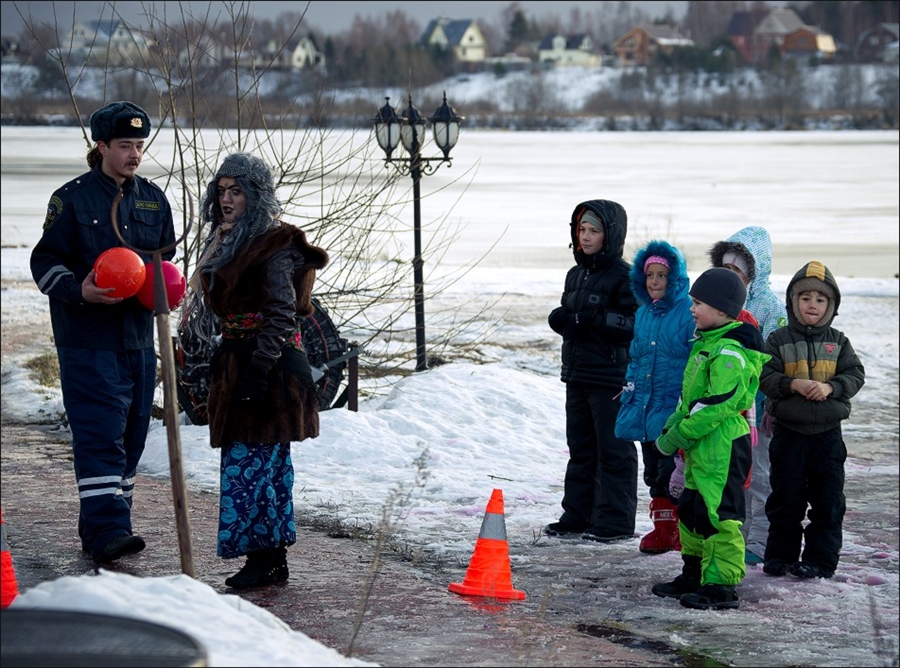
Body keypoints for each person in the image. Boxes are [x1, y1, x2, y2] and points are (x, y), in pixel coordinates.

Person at [30, 101, 176, 563]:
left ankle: (105, 524)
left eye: (139, 145)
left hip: (137, 340)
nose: (135, 154)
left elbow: (165, 265)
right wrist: (79, 291)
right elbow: (44, 263)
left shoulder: (153, 198)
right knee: (100, 434)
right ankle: (110, 528)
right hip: (88, 340)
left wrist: (171, 290)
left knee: (133, 437)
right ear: (101, 146)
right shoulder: (71, 199)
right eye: (125, 146)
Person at [184, 152, 328, 589]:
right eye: (222, 190)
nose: (226, 199)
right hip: (238, 361)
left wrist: (257, 373)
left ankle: (265, 559)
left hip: (270, 368)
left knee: (255, 468)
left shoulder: (273, 242)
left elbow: (282, 313)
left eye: (237, 191)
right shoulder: (228, 239)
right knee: (253, 465)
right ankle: (269, 560)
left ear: (256, 194)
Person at [652, 267, 768, 610]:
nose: (691, 309)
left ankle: (721, 583)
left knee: (718, 514)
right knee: (691, 510)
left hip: (722, 445)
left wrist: (676, 436)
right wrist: (671, 427)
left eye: (698, 303)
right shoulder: (707, 344)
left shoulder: (729, 352)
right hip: (700, 446)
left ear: (721, 309)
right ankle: (695, 572)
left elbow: (714, 405)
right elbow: (689, 401)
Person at [759, 261, 865, 580]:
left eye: (821, 300)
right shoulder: (778, 340)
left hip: (828, 436)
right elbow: (765, 374)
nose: (813, 305)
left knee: (828, 500)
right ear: (793, 302)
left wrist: (832, 387)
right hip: (789, 434)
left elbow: (855, 374)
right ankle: (780, 556)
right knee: (785, 499)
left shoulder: (839, 341)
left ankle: (820, 559)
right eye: (805, 298)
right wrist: (793, 384)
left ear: (831, 306)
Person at [544, 200, 639, 542]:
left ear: (610, 235)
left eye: (594, 230)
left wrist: (598, 320)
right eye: (581, 229)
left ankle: (615, 521)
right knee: (581, 448)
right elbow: (575, 318)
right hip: (578, 373)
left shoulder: (626, 276)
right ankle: (578, 514)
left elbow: (635, 323)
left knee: (614, 450)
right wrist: (563, 321)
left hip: (611, 376)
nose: (585, 236)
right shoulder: (576, 274)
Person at [709, 226, 787, 565]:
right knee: (733, 476)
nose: (731, 277)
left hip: (757, 408)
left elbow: (776, 360)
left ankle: (760, 539)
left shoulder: (769, 308)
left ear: (755, 271)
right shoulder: (721, 305)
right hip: (727, 409)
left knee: (760, 477)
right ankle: (734, 536)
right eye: (725, 269)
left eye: (737, 271)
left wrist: (770, 401)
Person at [615, 240, 695, 554]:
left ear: (675, 278)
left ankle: (678, 529)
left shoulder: (687, 312)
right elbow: (636, 358)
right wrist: (630, 390)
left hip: (671, 407)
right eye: (650, 275)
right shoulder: (644, 313)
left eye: (662, 275)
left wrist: (687, 404)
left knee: (670, 471)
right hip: (645, 405)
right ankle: (662, 528)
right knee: (652, 471)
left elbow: (693, 360)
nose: (655, 282)